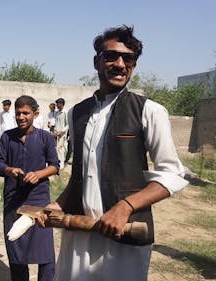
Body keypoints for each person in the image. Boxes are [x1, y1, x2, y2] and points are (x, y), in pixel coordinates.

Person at [40, 25, 188, 280]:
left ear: (133, 66)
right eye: (111, 56)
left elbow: (173, 174)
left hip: (125, 236)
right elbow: (81, 177)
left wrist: (126, 206)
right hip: (79, 234)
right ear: (97, 61)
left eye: (128, 59)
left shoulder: (149, 111)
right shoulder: (77, 113)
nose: (120, 64)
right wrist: (57, 204)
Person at [0, 95, 59, 281]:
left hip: (38, 199)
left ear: (35, 114)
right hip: (13, 199)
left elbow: (55, 165)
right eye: (18, 113)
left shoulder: (45, 137)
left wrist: (38, 174)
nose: (21, 117)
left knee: (45, 250)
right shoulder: (7, 136)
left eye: (25, 113)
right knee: (16, 250)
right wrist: (10, 170)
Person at [53, 98, 68, 169]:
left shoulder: (65, 112)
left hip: (62, 135)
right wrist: (54, 131)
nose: (57, 106)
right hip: (56, 134)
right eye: (56, 104)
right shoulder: (56, 113)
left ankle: (61, 164)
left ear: (62, 104)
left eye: (58, 104)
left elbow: (68, 125)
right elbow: (56, 123)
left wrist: (61, 131)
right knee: (56, 149)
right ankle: (57, 162)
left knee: (61, 149)